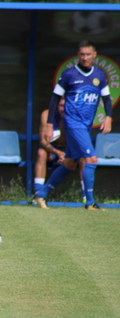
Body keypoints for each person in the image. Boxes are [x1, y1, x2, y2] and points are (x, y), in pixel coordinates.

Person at [33, 40, 113, 210]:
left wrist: (108, 118)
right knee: (91, 158)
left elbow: (106, 98)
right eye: (82, 54)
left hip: (85, 124)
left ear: (94, 55)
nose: (85, 58)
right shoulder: (69, 74)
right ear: (78, 55)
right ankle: (90, 202)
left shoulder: (99, 74)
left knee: (70, 163)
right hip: (72, 122)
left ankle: (41, 195)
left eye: (88, 54)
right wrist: (49, 124)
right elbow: (55, 98)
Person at [34, 98, 85, 201]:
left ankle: (86, 196)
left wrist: (67, 155)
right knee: (41, 153)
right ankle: (38, 193)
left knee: (85, 158)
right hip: (52, 150)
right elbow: (43, 142)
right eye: (61, 106)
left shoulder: (76, 117)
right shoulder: (47, 115)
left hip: (69, 149)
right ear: (56, 106)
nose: (63, 109)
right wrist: (58, 153)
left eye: (66, 106)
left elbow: (79, 140)